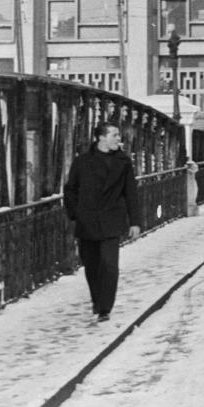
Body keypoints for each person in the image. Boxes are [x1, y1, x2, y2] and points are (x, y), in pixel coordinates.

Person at [63, 122, 141, 322]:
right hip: (87, 221)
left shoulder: (123, 162)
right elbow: (70, 189)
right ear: (100, 138)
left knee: (109, 265)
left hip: (111, 220)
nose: (118, 139)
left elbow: (131, 193)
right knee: (91, 266)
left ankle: (105, 307)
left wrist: (135, 222)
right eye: (114, 135)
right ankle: (97, 301)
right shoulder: (82, 162)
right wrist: (76, 214)